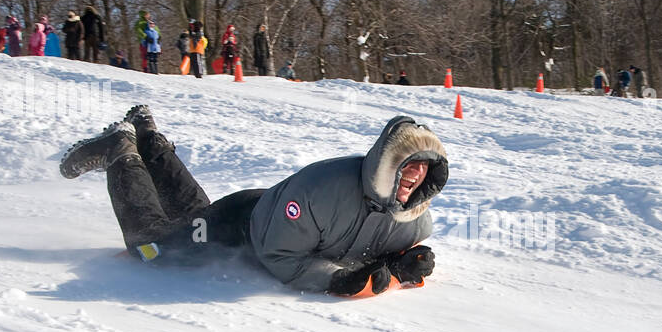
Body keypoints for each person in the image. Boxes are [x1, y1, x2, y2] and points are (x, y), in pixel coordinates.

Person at [58, 107, 447, 297]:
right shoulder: (322, 188)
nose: (415, 177)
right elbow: (280, 257)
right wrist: (335, 279)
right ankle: (119, 151)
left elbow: (390, 245)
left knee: (191, 214)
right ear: (385, 163)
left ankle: (147, 134)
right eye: (407, 165)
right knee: (150, 246)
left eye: (424, 171)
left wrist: (401, 262)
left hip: (269, 210)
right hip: (239, 227)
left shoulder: (415, 221)